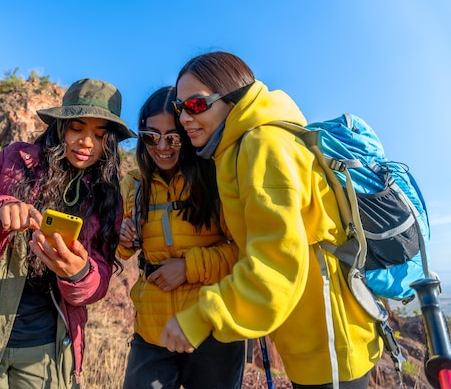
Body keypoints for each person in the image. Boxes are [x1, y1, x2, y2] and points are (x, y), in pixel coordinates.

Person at [160, 51, 383, 388]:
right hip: (316, 340)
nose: (185, 118)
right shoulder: (239, 149)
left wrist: (202, 317)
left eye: (195, 105)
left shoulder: (262, 144)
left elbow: (275, 263)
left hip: (330, 345)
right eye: (180, 109)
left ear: (232, 99)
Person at [0, 78, 135, 389]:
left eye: (100, 135)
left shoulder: (108, 197)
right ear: (60, 127)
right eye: (77, 129)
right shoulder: (13, 160)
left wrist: (78, 273)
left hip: (45, 348)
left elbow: (98, 283)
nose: (87, 142)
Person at [117, 86, 245, 389]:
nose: (162, 146)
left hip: (213, 327)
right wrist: (123, 239)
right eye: (151, 137)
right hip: (152, 329)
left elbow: (244, 252)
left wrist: (188, 267)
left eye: (173, 137)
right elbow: (123, 251)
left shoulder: (216, 179)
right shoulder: (133, 185)